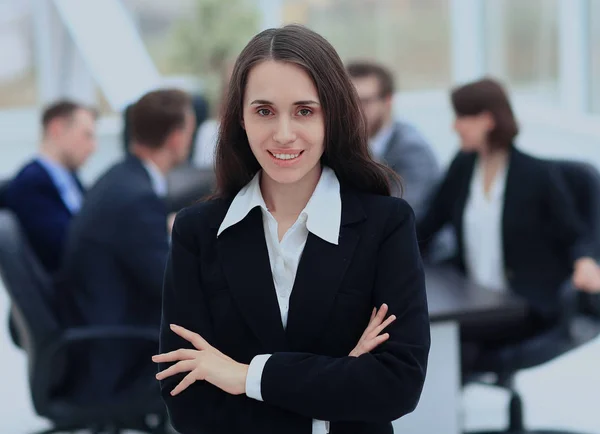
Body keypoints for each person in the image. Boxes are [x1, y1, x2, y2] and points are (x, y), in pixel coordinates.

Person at [153, 24, 430, 434]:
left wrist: (245, 377)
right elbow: (189, 404)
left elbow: (396, 387)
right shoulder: (198, 233)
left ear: (331, 116)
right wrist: (339, 376)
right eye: (264, 111)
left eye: (305, 110)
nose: (284, 134)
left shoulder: (385, 225)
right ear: (240, 120)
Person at [416, 77, 600, 373]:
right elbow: (427, 224)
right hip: (474, 298)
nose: (455, 126)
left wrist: (586, 262)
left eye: (463, 117)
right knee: (425, 330)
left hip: (521, 303)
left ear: (487, 120)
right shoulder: (463, 167)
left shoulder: (537, 175)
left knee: (436, 339)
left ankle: (439, 415)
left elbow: (575, 233)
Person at [60, 88, 196, 403]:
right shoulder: (137, 198)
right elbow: (171, 288)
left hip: (93, 333)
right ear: (176, 138)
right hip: (120, 357)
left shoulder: (119, 178)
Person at [4, 100, 96, 274]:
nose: (93, 147)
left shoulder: (70, 178)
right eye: (87, 135)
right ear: (57, 129)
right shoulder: (30, 185)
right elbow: (66, 249)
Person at [346, 61, 440, 220]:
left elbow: (398, 214)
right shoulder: (343, 143)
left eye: (365, 101)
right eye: (348, 100)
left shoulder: (413, 150)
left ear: (388, 101)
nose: (355, 110)